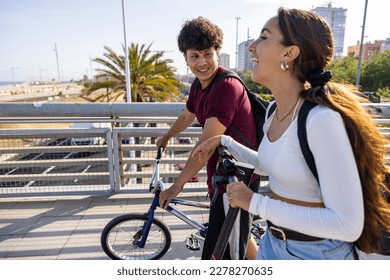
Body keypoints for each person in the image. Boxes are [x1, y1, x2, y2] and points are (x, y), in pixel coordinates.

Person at [193, 8, 390, 260]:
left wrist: (255, 203)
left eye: (263, 37)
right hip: (272, 242)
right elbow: (271, 165)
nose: (252, 47)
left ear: (290, 52)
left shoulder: (321, 120)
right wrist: (225, 141)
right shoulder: (274, 110)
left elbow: (347, 225)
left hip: (316, 255)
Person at [156, 16, 259, 260]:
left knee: (220, 252)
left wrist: (177, 186)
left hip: (238, 177)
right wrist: (167, 136)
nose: (202, 63)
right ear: (186, 58)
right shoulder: (198, 85)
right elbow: (187, 115)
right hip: (221, 174)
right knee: (241, 235)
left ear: (217, 53)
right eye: (195, 56)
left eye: (207, 54)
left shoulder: (226, 87)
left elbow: (205, 146)